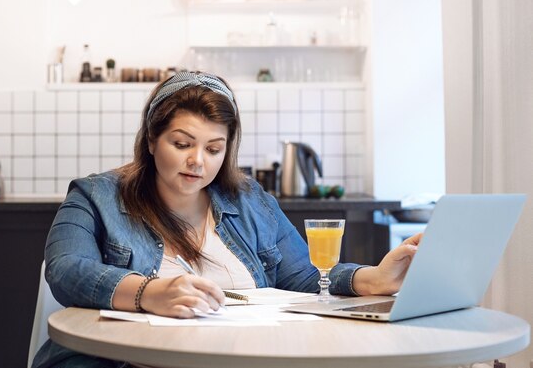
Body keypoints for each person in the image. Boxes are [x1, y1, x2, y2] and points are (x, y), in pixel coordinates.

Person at [32, 71, 422, 368]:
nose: (197, 161)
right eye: (182, 144)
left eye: (214, 148)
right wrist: (148, 293)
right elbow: (67, 271)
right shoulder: (96, 197)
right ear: (151, 141)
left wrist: (373, 279)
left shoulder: (249, 200)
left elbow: (303, 278)